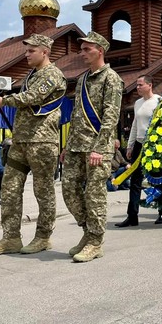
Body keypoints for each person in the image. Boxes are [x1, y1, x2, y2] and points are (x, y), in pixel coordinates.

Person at [0, 33, 67, 255]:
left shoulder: (53, 75)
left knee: (43, 191)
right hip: (21, 141)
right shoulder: (32, 74)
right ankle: (11, 238)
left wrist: (4, 100)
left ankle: (42, 237)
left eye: (31, 51)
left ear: (45, 52)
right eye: (26, 50)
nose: (27, 54)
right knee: (9, 188)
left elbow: (32, 97)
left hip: (42, 142)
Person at [61, 32, 122, 262]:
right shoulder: (83, 79)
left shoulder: (112, 78)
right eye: (82, 49)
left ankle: (96, 241)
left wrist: (98, 147)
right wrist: (67, 145)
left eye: (87, 49)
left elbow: (111, 116)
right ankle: (88, 232)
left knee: (95, 195)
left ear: (100, 51)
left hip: (99, 148)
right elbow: (76, 116)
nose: (82, 53)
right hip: (77, 146)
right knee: (69, 190)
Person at [115, 75, 161, 228]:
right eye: (137, 85)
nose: (137, 88)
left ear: (149, 85)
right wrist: (130, 145)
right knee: (135, 181)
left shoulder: (159, 101)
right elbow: (135, 125)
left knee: (158, 179)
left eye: (140, 85)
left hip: (154, 145)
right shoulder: (137, 103)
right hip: (139, 145)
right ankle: (132, 215)